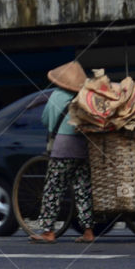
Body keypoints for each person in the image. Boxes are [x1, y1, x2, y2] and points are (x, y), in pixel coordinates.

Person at [29, 61, 96, 244]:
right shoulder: (85, 97)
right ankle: (88, 231)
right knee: (83, 188)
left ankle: (48, 232)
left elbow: (46, 121)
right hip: (83, 148)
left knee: (53, 188)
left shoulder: (56, 96)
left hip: (63, 149)